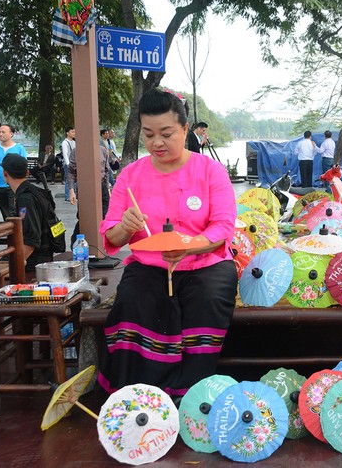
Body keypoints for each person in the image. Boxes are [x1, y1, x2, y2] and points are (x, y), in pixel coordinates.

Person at [97, 89, 238, 396]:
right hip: (150, 265)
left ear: (185, 130)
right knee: (134, 298)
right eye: (148, 135)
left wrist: (189, 246)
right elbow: (110, 236)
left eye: (166, 133)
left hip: (205, 263)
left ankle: (190, 393)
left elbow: (224, 226)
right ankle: (139, 394)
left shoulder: (210, 170)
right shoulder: (131, 175)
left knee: (208, 298)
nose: (156, 143)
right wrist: (124, 226)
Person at [1, 154, 57, 271]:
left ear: (5, 173)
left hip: (34, 263)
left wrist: (11, 268)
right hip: (42, 259)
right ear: (27, 172)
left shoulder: (25, 199)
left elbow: (31, 239)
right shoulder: (36, 192)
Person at [67, 133, 111, 248]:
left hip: (101, 186)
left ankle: (102, 244)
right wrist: (71, 190)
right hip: (85, 187)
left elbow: (106, 171)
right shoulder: (76, 151)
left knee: (105, 215)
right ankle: (75, 243)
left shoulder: (102, 150)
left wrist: (108, 189)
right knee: (83, 216)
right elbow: (71, 172)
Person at [0, 123, 28, 219]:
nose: (0, 134)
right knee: (5, 212)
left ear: (11, 134)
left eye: (3, 132)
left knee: (14, 211)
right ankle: (11, 232)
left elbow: (23, 167)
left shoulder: (19, 148)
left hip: (13, 186)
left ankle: (18, 231)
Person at [61, 126, 76, 202]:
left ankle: (73, 195)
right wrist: (68, 164)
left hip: (74, 164)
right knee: (68, 180)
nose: (74, 133)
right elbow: (65, 154)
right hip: (68, 164)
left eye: (74, 132)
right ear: (67, 133)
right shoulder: (65, 142)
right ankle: (67, 196)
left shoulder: (74, 142)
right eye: (72, 132)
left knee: (74, 180)